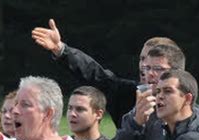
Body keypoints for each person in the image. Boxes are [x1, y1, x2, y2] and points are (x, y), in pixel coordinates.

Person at [32, 19, 178, 128]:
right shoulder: (126, 94)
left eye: (156, 66)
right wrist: (61, 50)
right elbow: (95, 74)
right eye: (142, 59)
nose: (144, 67)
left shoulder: (189, 109)